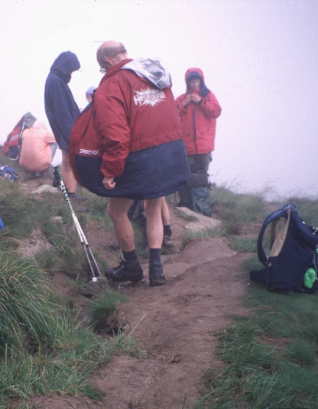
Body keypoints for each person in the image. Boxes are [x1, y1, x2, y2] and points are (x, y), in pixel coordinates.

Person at [69, 41, 190, 286]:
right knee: (154, 206)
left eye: (102, 69)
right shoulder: (155, 74)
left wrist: (110, 171)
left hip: (141, 155)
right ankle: (157, 270)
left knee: (116, 211)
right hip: (170, 151)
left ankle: (131, 265)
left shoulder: (113, 83)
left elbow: (115, 134)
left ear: (107, 63)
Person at [175, 68, 222, 216]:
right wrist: (185, 103)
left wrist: (200, 101)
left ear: (201, 81)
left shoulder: (208, 96)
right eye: (192, 81)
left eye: (197, 81)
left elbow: (216, 111)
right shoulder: (182, 98)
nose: (195, 84)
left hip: (204, 147)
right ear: (187, 82)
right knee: (184, 176)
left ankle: (202, 210)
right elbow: (172, 114)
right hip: (186, 147)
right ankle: (185, 208)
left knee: (201, 178)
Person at [44, 51, 86, 203]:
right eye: (71, 70)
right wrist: (73, 135)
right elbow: (62, 112)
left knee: (67, 161)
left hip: (64, 128)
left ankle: (69, 194)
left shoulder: (54, 80)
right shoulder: (56, 82)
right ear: (65, 66)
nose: (71, 74)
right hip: (68, 130)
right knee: (73, 162)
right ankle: (71, 194)